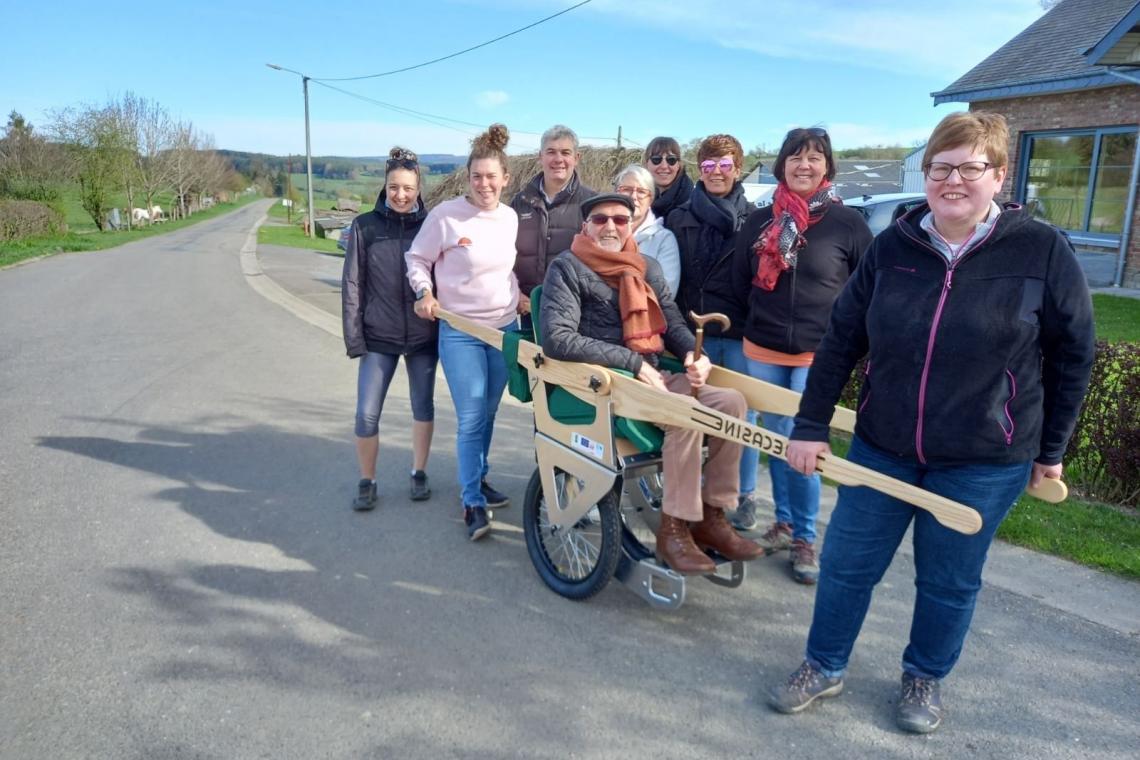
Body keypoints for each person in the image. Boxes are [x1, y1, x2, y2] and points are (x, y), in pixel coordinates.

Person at [768, 111, 1095, 734]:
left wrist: (1051, 449)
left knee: (948, 581)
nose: (952, 180)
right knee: (846, 565)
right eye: (940, 167)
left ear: (997, 176)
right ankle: (823, 663)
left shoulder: (1041, 250)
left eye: (969, 168)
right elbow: (841, 338)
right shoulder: (895, 245)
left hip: (983, 459)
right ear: (926, 174)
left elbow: (1073, 352)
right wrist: (810, 426)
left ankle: (924, 677)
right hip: (883, 446)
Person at [541, 192, 763, 574]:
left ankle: (711, 517)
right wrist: (631, 362)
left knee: (732, 404)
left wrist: (695, 356)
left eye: (620, 220)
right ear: (585, 226)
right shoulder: (568, 267)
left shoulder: (646, 267)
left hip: (654, 375)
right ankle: (673, 529)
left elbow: (674, 323)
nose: (610, 226)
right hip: (605, 384)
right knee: (685, 413)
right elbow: (557, 338)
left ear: (632, 226)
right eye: (600, 219)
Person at [731, 128, 873, 584]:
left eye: (814, 158)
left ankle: (805, 536)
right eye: (795, 157)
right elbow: (738, 282)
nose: (804, 165)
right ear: (782, 165)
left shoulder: (847, 224)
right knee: (776, 440)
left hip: (819, 355)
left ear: (827, 166)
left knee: (803, 445)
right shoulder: (757, 222)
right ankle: (786, 523)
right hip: (762, 348)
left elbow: (868, 290)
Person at [406, 124, 520, 542]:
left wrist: (520, 295)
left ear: (505, 179)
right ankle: (472, 499)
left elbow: (502, 270)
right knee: (472, 416)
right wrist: (425, 291)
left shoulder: (509, 218)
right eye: (477, 177)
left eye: (492, 177)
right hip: (460, 330)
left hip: (505, 329)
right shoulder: (446, 216)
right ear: (467, 178)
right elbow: (417, 258)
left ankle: (480, 475)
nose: (484, 184)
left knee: (489, 413)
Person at [666, 133, 760, 517]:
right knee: (690, 413)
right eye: (708, 166)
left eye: (725, 165)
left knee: (743, 417)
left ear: (737, 169)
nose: (717, 173)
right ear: (699, 171)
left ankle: (743, 496)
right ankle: (695, 497)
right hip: (693, 334)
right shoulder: (679, 216)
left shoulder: (754, 220)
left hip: (736, 333)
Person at [341, 147, 436, 511]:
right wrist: (355, 338)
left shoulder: (431, 226)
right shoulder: (364, 226)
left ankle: (419, 472)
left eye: (408, 188)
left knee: (423, 406)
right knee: (366, 413)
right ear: (385, 185)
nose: (401, 195)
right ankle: (367, 479)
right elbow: (352, 285)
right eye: (394, 187)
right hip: (378, 337)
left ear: (418, 187)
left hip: (422, 336)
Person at [511, 124, 596, 322]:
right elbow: (504, 253)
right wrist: (514, 292)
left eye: (565, 152)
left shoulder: (592, 204)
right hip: (527, 310)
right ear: (540, 156)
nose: (558, 159)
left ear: (576, 158)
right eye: (551, 152)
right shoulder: (520, 202)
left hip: (574, 314)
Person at [613, 163, 681, 296]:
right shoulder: (601, 230)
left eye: (641, 192)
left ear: (651, 199)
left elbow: (666, 292)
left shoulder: (664, 239)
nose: (633, 196)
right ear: (616, 193)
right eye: (626, 189)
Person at [644, 136, 693, 221]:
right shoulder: (636, 200)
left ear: (678, 165)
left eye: (671, 159)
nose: (664, 166)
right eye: (656, 159)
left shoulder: (694, 202)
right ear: (646, 164)